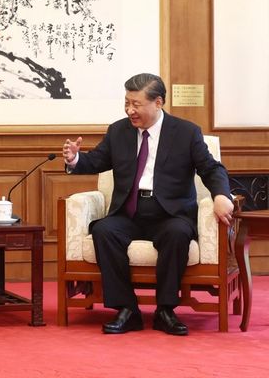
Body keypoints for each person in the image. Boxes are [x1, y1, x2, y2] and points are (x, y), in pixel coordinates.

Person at [62, 73, 234, 336]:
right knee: (104, 231)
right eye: (127, 103)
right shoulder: (118, 130)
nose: (130, 110)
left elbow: (211, 169)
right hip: (129, 212)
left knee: (177, 234)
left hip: (169, 213)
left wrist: (221, 195)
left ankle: (165, 310)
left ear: (158, 102)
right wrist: (75, 159)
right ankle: (127, 309)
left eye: (136, 104)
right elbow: (95, 161)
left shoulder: (186, 133)